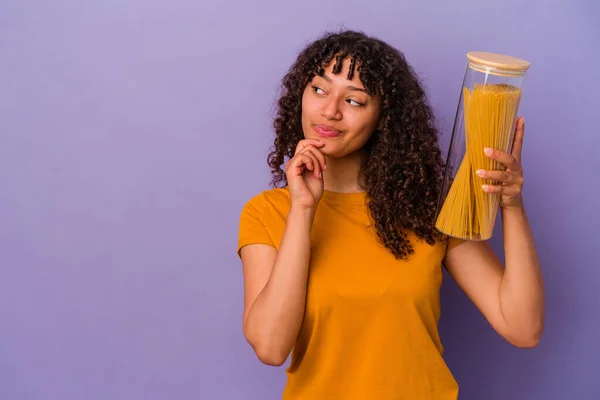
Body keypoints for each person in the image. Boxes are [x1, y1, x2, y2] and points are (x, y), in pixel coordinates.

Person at [236, 30, 545, 399]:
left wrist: (512, 205)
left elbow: (522, 327)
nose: (329, 110)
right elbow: (270, 348)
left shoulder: (424, 206)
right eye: (319, 89)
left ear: (384, 117)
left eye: (354, 100)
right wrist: (303, 210)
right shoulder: (266, 213)